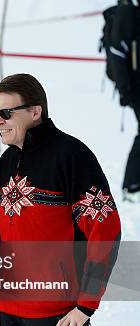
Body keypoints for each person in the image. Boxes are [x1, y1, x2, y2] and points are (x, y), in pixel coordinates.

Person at [0, 73, 121, 326]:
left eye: (6, 113)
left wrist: (85, 306)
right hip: (11, 311)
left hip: (60, 315)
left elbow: (105, 232)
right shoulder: (5, 162)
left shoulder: (71, 155)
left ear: (35, 112)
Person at [105, 0, 140, 201]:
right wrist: (125, 87)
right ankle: (132, 184)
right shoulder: (127, 13)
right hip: (135, 85)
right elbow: (117, 51)